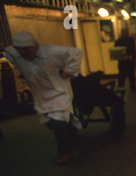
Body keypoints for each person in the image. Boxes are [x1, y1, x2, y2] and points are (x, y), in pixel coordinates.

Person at [6, 31, 82, 166]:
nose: (23, 53)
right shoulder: (13, 52)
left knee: (59, 122)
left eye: (26, 49)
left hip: (59, 92)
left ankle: (65, 153)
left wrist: (69, 70)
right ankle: (72, 131)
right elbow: (10, 55)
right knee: (51, 123)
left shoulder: (51, 52)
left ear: (34, 47)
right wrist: (19, 72)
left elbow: (76, 53)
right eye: (20, 50)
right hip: (41, 94)